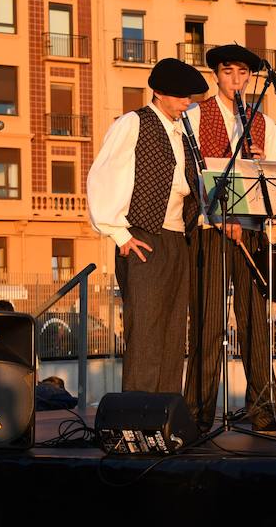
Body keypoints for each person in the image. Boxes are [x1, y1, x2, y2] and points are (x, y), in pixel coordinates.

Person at [182, 44, 276, 436]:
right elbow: (191, 175)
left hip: (252, 233)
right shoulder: (194, 117)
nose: (236, 80)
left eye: (243, 74)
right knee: (208, 323)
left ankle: (265, 409)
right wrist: (216, 214)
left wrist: (261, 164)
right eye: (229, 72)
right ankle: (197, 414)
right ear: (217, 75)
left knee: (254, 324)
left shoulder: (265, 124)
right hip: (211, 231)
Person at [87, 58, 208, 394]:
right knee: (145, 331)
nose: (188, 102)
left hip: (175, 238)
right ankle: (136, 419)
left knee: (172, 332)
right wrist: (119, 234)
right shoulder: (133, 123)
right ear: (159, 93)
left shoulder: (182, 132)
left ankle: (163, 416)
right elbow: (104, 174)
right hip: (143, 235)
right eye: (182, 96)